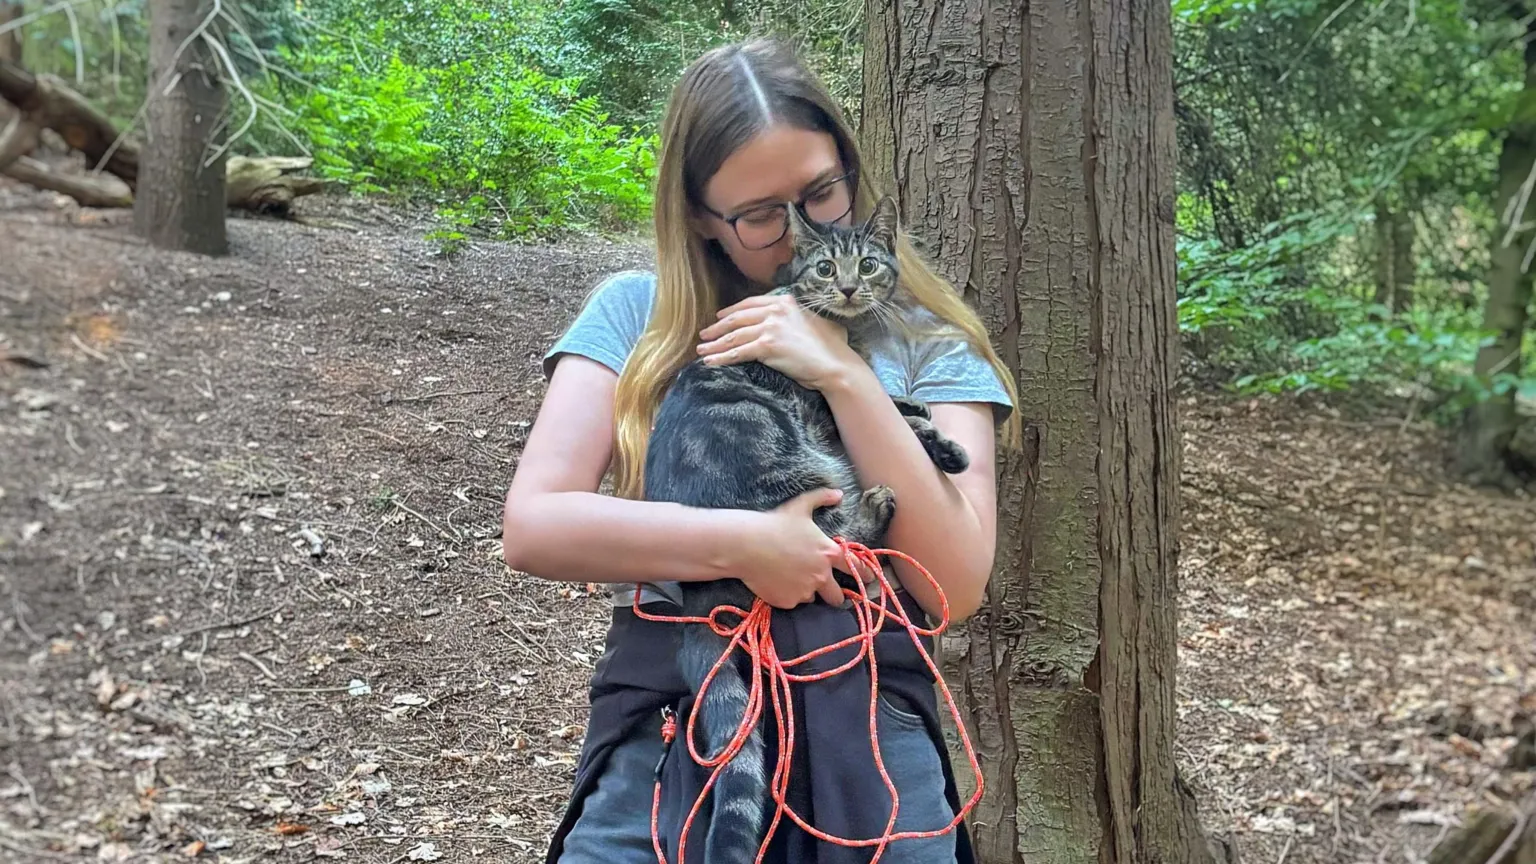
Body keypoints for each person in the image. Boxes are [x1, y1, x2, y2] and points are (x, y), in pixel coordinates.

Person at [502, 37, 1019, 864]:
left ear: (851, 168)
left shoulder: (930, 345)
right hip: (678, 717)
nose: (799, 234)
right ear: (702, 217)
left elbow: (954, 582)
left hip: (871, 728)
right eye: (757, 214)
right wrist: (746, 543)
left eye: (821, 192)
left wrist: (843, 374)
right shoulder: (637, 312)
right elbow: (533, 525)